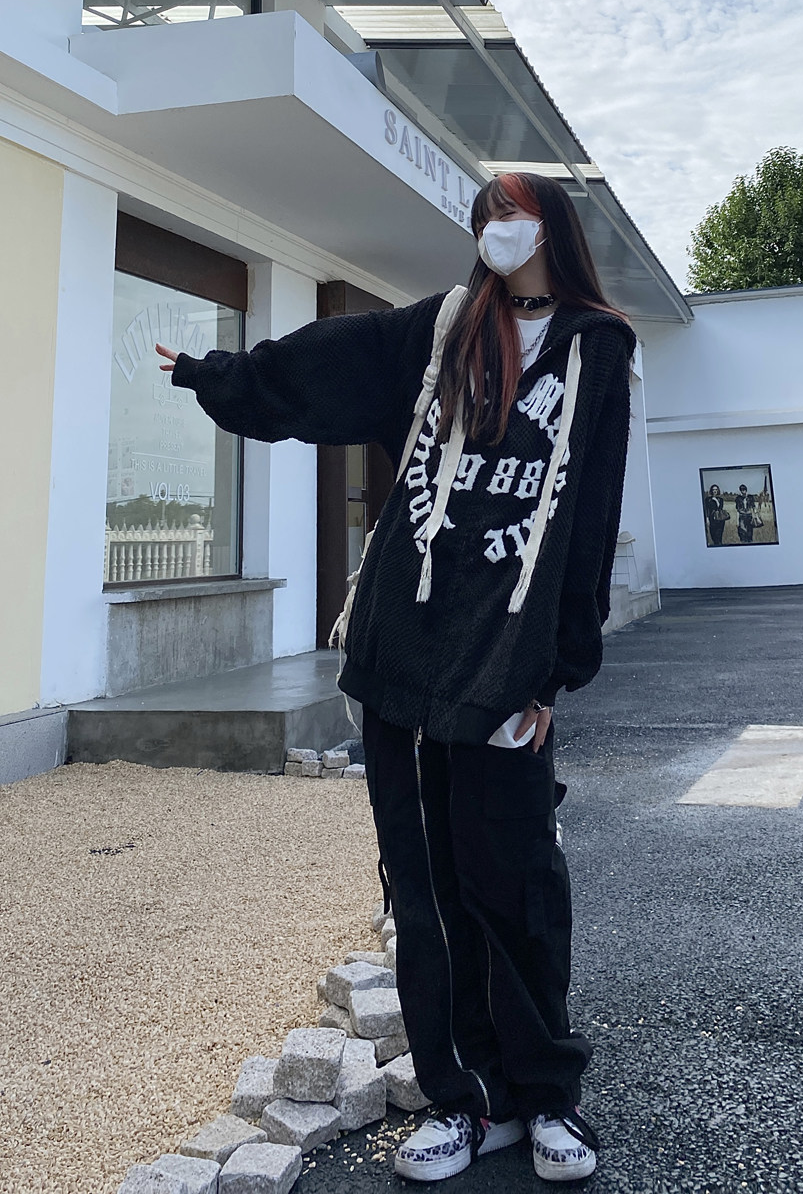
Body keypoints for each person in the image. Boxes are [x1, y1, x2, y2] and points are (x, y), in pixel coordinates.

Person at [157, 172, 634, 1184]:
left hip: (503, 670)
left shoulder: (597, 349)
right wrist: (215, 373)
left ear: (550, 227)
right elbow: (333, 363)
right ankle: (463, 1101)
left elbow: (589, 519)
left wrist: (555, 676)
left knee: (516, 887)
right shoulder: (447, 329)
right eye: (484, 218)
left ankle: (544, 1096)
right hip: (401, 657)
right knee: (425, 897)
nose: (495, 232)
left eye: (511, 215)